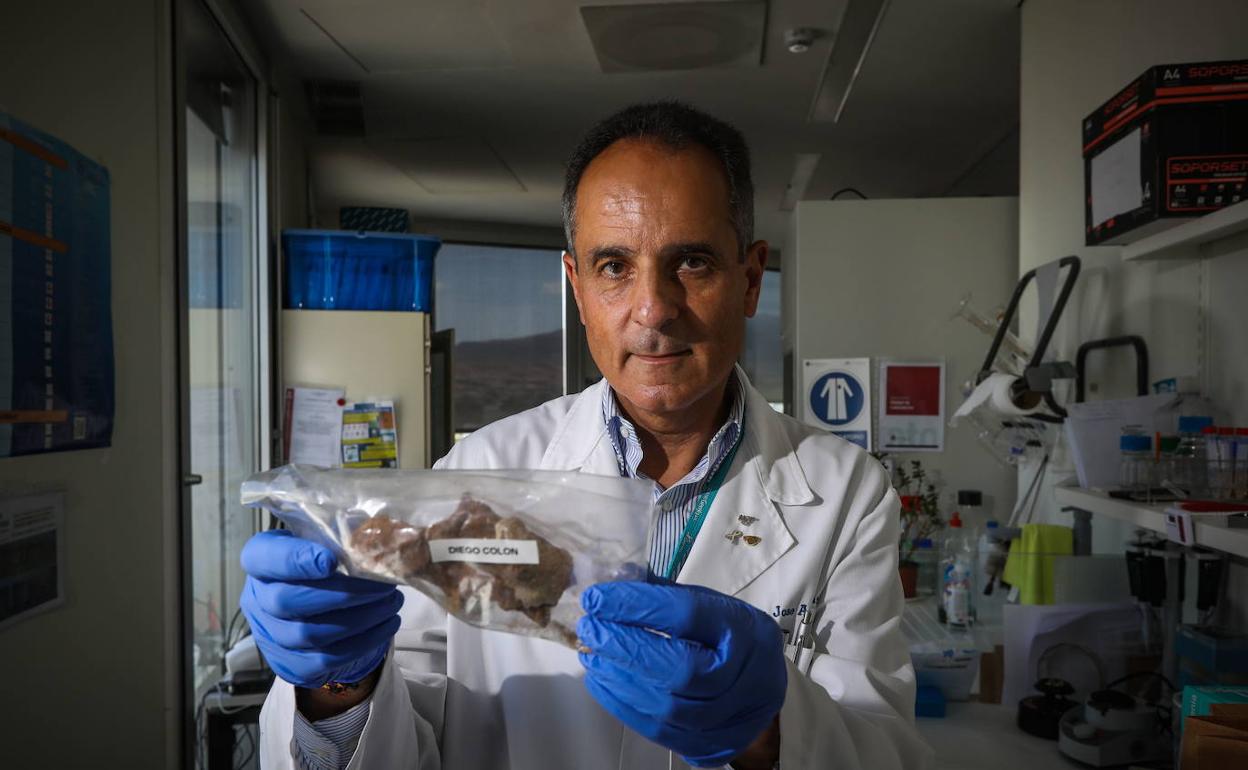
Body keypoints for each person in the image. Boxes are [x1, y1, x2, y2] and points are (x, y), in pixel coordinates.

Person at [241, 101, 932, 769]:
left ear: (750, 279)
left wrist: (771, 731)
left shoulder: (845, 492)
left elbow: (887, 748)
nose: (653, 309)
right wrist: (338, 684)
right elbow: (403, 740)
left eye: (691, 262)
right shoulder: (483, 466)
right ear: (576, 284)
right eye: (614, 267)